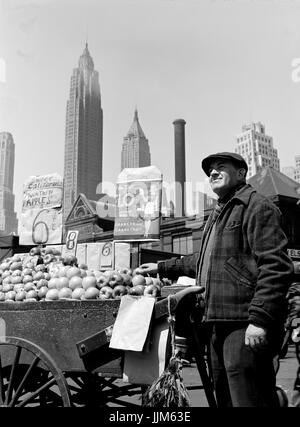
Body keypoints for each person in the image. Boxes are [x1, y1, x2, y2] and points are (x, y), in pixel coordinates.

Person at [137, 152, 294, 407]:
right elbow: (203, 259)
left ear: (241, 173)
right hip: (216, 322)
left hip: (243, 323)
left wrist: (260, 319)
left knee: (247, 396)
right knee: (224, 396)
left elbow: (275, 266)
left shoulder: (257, 206)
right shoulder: (219, 212)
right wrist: (161, 266)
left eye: (221, 167)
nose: (213, 173)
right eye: (210, 170)